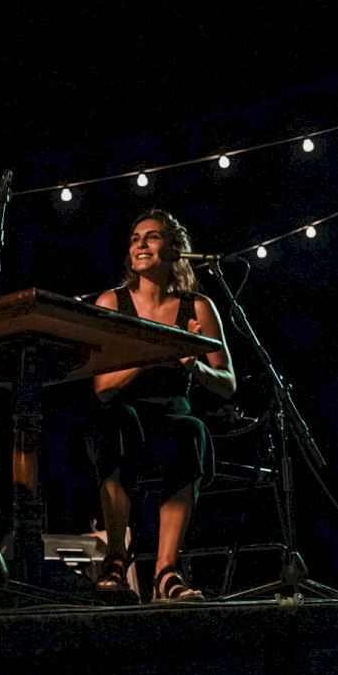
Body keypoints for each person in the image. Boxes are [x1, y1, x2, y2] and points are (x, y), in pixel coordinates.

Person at [90, 209, 236, 603]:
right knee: (115, 420)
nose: (140, 244)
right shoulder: (111, 302)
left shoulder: (198, 306)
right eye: (134, 238)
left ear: (173, 249)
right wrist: (151, 353)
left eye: (151, 237)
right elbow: (103, 388)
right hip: (125, 414)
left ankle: (166, 571)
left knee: (191, 430)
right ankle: (116, 560)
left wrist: (194, 366)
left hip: (172, 417)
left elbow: (228, 382)